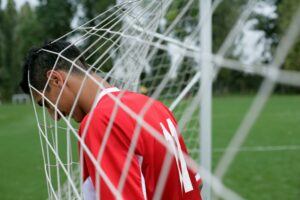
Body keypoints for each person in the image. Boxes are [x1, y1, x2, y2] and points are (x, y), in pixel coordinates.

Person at [20, 40, 202, 200]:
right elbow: (196, 184)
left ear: (55, 79)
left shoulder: (100, 122)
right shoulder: (155, 107)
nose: (55, 116)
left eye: (46, 103)